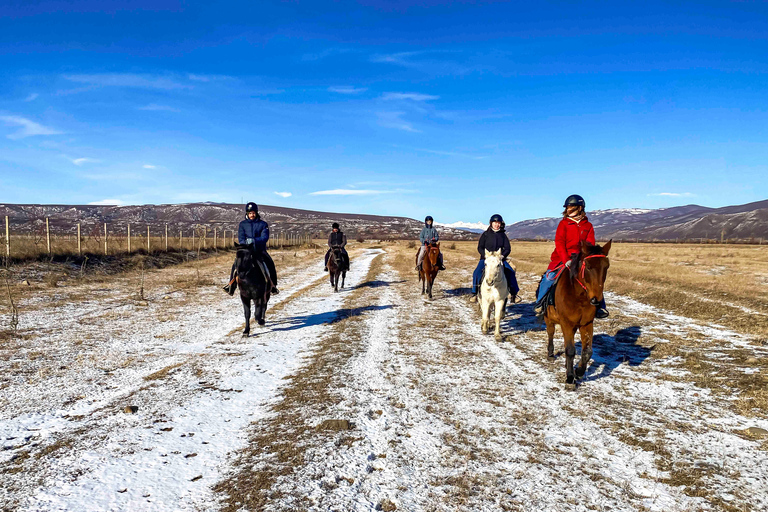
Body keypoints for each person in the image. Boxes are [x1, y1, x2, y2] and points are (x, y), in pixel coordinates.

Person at [533, 194, 608, 318]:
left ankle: (600, 306)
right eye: (567, 207)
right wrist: (566, 259)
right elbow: (560, 243)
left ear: (579, 208)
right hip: (562, 259)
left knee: (594, 279)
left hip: (581, 258)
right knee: (549, 277)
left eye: (572, 207)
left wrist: (586, 257)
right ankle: (540, 303)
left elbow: (590, 243)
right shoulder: (563, 224)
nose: (569, 209)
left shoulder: (588, 226)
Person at [223, 202, 279, 295]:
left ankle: (273, 285)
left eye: (253, 213)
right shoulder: (242, 224)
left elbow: (264, 237)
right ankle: (231, 285)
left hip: (260, 250)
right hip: (246, 250)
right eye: (250, 213)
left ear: (256, 213)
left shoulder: (263, 224)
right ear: (247, 213)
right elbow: (241, 238)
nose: (251, 215)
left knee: (270, 263)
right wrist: (245, 243)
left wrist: (253, 240)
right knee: (236, 263)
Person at [471, 214, 519, 302]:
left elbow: (508, 248)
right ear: (491, 223)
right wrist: (485, 255)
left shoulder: (503, 235)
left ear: (501, 224)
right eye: (495, 223)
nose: (496, 225)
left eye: (498, 223)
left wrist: (502, 256)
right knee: (477, 272)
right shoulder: (485, 235)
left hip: (499, 259)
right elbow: (480, 247)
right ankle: (474, 293)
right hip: (486, 259)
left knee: (510, 272)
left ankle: (514, 294)